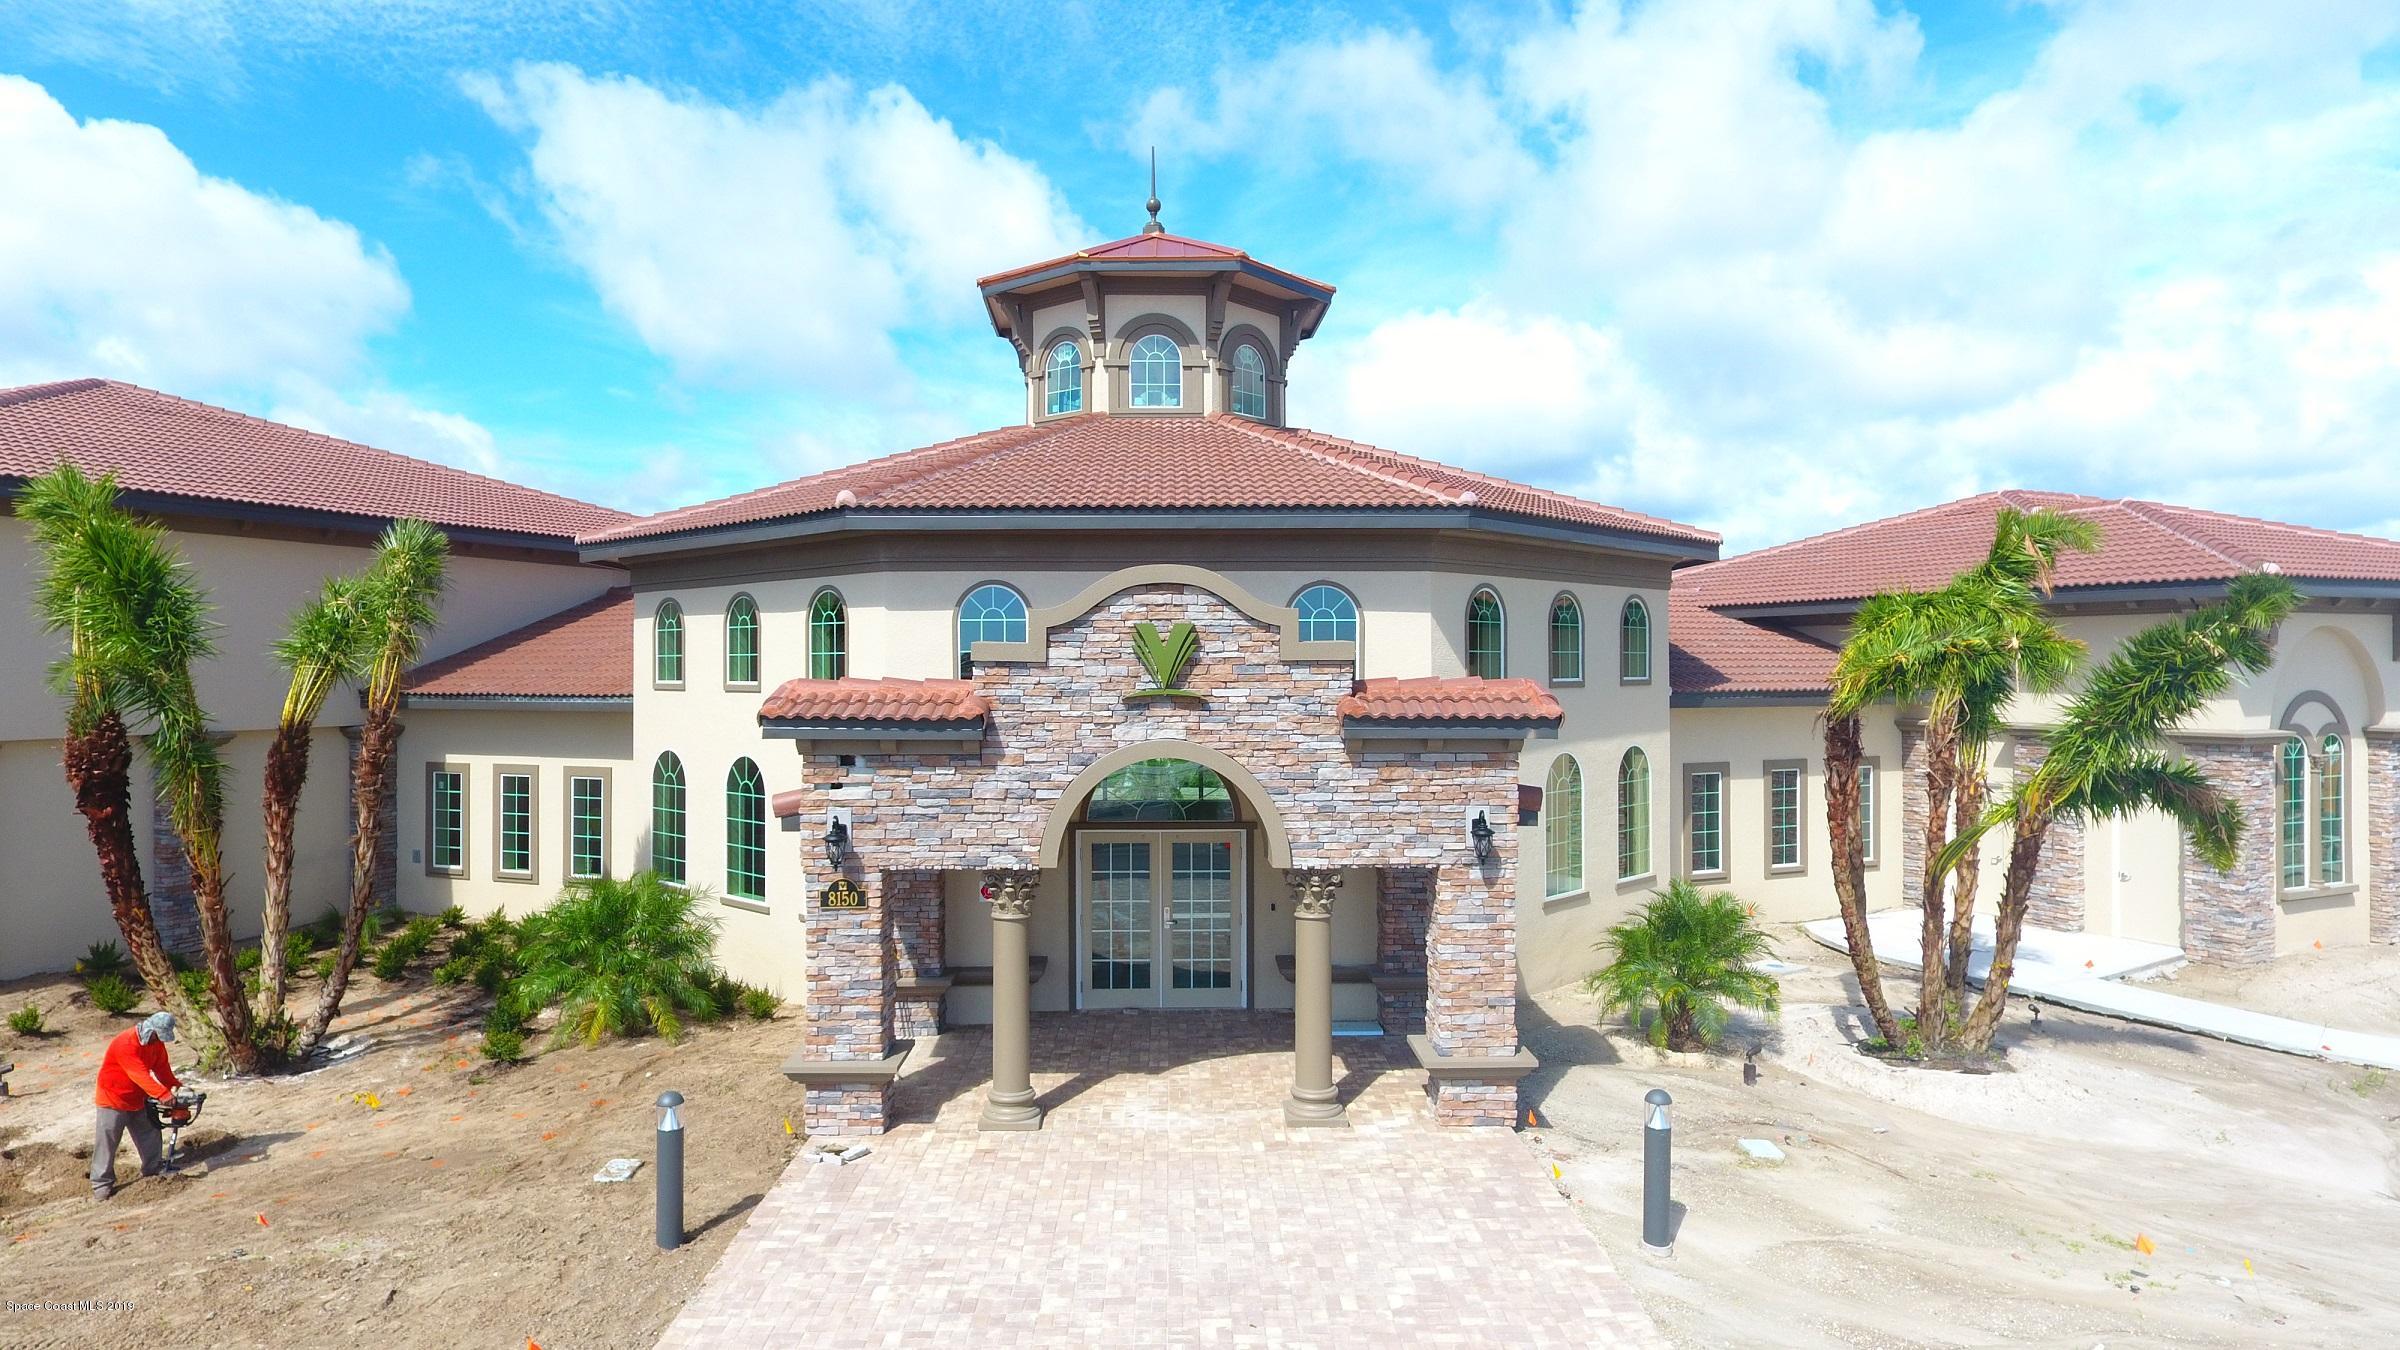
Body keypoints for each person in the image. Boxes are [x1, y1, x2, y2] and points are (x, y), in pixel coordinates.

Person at [92, 1011, 182, 1200]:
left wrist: (176, 1087)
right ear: (151, 1030)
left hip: (138, 1098)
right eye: (158, 1036)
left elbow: (162, 1069)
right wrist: (163, 1094)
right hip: (112, 1099)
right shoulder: (125, 1044)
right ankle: (101, 1184)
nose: (160, 1040)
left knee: (149, 1133)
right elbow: (138, 1074)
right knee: (107, 1142)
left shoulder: (156, 1044)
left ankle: (153, 1169)